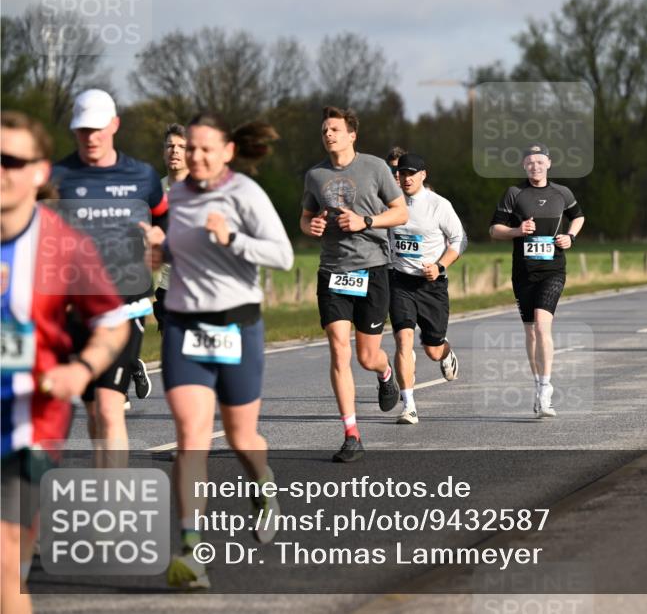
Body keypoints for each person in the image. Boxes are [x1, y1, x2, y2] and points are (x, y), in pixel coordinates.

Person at [142, 113, 293, 588]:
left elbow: (283, 256)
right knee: (191, 437)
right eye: (191, 148)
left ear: (227, 151)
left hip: (237, 326)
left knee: (240, 438)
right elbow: (173, 253)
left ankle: (263, 484)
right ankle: (190, 552)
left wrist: (233, 238)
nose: (196, 157)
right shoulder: (174, 198)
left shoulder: (245, 194)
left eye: (206, 149)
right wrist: (157, 251)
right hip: (184, 326)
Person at [1, 111, 129, 614]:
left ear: (38, 172)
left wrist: (81, 369)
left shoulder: (62, 245)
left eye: (12, 160)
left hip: (28, 422)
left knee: (5, 556)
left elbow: (113, 321)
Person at [49, 89, 167, 463]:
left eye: (98, 128)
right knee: (95, 413)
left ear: (114, 125)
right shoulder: (57, 177)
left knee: (109, 406)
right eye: (83, 130)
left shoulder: (142, 176)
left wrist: (160, 238)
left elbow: (164, 217)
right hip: (75, 309)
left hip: (125, 305)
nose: (91, 137)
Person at [301, 107, 407, 462]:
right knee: (338, 349)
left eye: (334, 129)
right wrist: (310, 227)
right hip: (333, 271)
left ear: (351, 135)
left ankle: (385, 371)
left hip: (372, 270)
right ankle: (351, 434)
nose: (328, 134)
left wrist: (366, 221)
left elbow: (400, 211)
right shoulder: (315, 175)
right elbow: (305, 217)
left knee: (366, 356)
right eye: (324, 129)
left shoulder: (375, 167)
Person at [489, 143, 584, 417]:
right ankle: (538, 383)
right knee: (530, 331)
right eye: (530, 162)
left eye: (540, 162)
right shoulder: (514, 193)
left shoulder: (562, 193)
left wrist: (571, 237)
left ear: (549, 164)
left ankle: (545, 389)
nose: (535, 166)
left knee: (543, 326)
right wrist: (517, 230)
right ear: (524, 166)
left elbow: (578, 217)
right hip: (523, 272)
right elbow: (495, 230)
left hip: (553, 270)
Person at [387, 153, 467, 424]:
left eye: (411, 173)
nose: (405, 178)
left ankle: (445, 351)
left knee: (431, 349)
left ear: (423, 175)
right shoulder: (390, 202)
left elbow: (458, 240)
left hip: (431, 284)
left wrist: (440, 266)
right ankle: (408, 406)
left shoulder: (438, 205)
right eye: (401, 173)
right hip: (400, 281)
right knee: (403, 340)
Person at [152, 124, 189, 332]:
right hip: (168, 289)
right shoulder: (154, 191)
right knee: (172, 357)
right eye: (170, 146)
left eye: (181, 146)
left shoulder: (205, 189)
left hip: (200, 289)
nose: (174, 151)